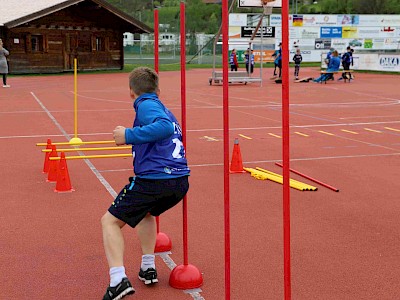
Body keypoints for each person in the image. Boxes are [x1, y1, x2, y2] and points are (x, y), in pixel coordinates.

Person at [101, 67, 190, 300]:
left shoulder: (146, 104)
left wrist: (128, 135)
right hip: (179, 181)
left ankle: (117, 280)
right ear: (158, 90)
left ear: (131, 92)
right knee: (146, 213)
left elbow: (164, 128)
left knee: (109, 222)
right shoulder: (163, 108)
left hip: (155, 179)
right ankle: (148, 266)